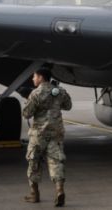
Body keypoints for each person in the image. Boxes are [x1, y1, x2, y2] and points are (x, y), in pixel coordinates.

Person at [21, 68, 72, 207]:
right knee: (56, 162)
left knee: (34, 162)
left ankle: (34, 194)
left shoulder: (35, 93)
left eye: (34, 76)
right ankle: (59, 190)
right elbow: (68, 106)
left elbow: (26, 114)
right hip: (56, 133)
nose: (33, 79)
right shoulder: (59, 91)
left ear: (41, 77)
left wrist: (27, 99)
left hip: (39, 135)